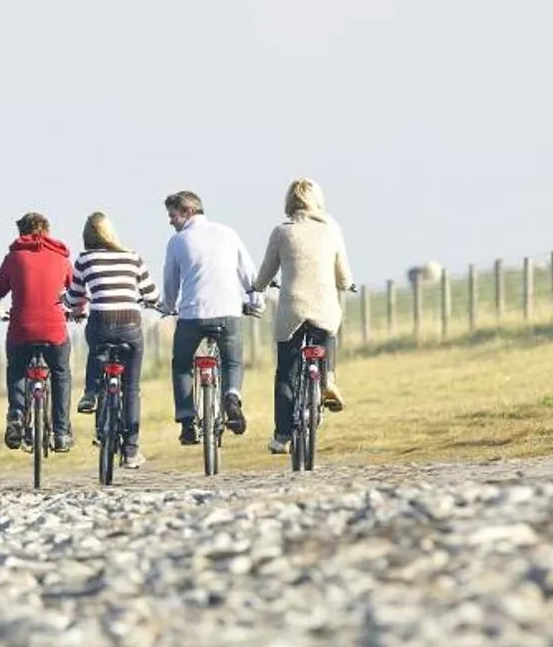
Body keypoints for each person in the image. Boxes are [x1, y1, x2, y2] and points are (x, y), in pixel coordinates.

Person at [253, 178, 354, 453]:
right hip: (323, 308)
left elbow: (266, 272)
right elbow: (344, 277)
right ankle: (327, 378)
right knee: (327, 333)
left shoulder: (281, 232)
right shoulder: (331, 231)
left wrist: (257, 287)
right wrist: (346, 284)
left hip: (292, 308)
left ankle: (282, 436)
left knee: (286, 372)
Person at [157, 191, 260, 445]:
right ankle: (232, 398)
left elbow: (171, 284)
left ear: (188, 212)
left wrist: (168, 306)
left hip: (192, 316)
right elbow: (249, 274)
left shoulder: (177, 242)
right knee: (232, 362)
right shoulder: (228, 233)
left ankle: (186, 421)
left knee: (181, 365)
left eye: (173, 215)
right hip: (228, 312)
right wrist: (254, 301)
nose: (170, 221)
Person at [0, 211, 82, 452]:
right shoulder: (61, 258)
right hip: (54, 330)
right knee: (61, 373)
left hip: (22, 330)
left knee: (17, 369)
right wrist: (79, 310)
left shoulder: (14, 258)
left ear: (22, 233)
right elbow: (77, 290)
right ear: (47, 231)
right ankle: (61, 432)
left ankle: (16, 415)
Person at [72, 212, 161, 468]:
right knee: (131, 388)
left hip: (100, 324)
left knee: (95, 348)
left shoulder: (85, 259)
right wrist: (151, 302)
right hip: (130, 325)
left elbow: (75, 295)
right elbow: (152, 294)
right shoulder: (132, 257)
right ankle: (131, 451)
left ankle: (91, 392)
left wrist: (68, 305)